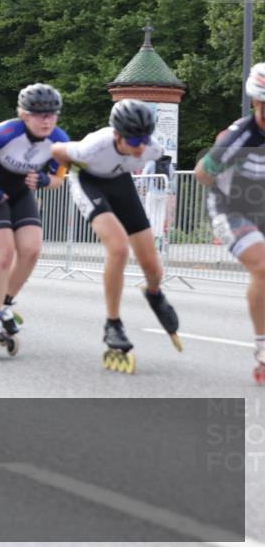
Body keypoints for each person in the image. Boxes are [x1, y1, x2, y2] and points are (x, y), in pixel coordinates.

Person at [51, 99, 181, 374]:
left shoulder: (151, 148)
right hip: (88, 181)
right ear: (117, 134)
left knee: (152, 266)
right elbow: (56, 150)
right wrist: (61, 176)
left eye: (143, 139)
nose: (139, 147)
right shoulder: (93, 146)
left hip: (121, 184)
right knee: (119, 249)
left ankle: (154, 293)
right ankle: (113, 323)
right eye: (133, 140)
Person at [0, 82, 69, 359]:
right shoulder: (6, 132)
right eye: (39, 114)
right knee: (4, 253)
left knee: (32, 250)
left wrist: (46, 179)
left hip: (19, 191)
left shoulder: (60, 141)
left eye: (52, 114)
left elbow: (59, 179)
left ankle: (4, 303)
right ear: (24, 115)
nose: (46, 120)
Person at [195, 62, 265, 385]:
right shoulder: (240, 136)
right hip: (230, 207)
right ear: (256, 103)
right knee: (263, 266)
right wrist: (234, 191)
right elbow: (201, 173)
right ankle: (263, 348)